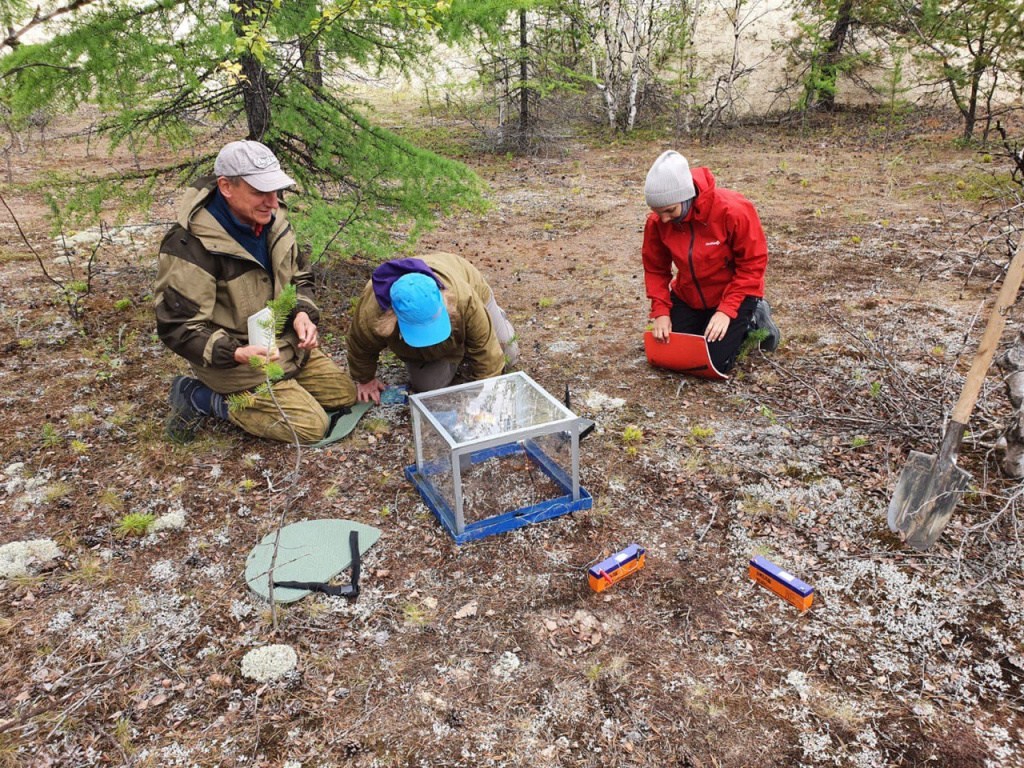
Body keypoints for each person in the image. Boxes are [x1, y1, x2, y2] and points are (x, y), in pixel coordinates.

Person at [154, 140, 357, 443]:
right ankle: (200, 397)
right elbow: (177, 327)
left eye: (275, 191)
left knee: (345, 395)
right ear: (226, 186)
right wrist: (236, 353)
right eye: (260, 192)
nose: (273, 202)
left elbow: (300, 276)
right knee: (310, 426)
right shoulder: (191, 245)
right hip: (236, 361)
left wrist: (302, 312)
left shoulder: (274, 221)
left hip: (286, 347)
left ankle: (287, 387)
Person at [642, 149, 780, 374]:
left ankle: (754, 317)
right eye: (657, 212)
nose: (663, 218)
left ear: (686, 196)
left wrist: (726, 310)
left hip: (735, 292)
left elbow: (753, 265)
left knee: (713, 364)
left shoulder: (732, 210)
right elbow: (656, 269)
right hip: (689, 294)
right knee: (670, 357)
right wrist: (661, 312)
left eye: (669, 210)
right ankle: (706, 321)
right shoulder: (658, 222)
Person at [347, 252, 519, 403]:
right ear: (392, 319)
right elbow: (360, 345)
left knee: (508, 354)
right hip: (437, 319)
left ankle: (493, 316)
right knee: (429, 387)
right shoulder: (372, 312)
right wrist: (365, 379)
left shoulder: (462, 297)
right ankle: (457, 349)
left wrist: (485, 398)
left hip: (468, 287)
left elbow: (487, 352)